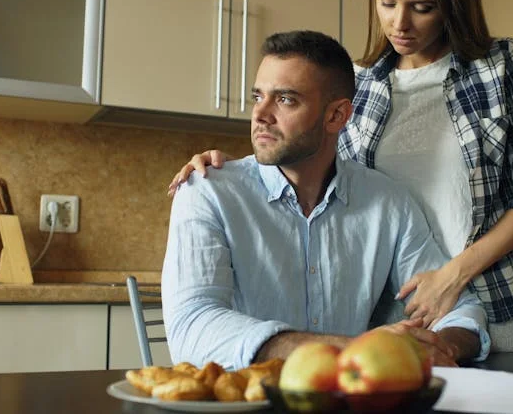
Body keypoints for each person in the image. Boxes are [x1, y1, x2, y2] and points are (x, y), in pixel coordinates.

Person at [168, 0, 513, 349]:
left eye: (422, 7)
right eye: (386, 2)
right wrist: (239, 174)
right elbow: (322, 169)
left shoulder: (501, 65)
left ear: (453, 3)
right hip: (391, 312)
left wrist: (454, 274)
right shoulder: (364, 82)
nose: (399, 23)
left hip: (489, 300)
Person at [162, 30, 490, 371]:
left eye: (285, 99)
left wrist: (440, 347)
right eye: (257, 96)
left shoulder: (387, 203)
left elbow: (461, 311)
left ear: (337, 116)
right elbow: (191, 328)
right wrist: (351, 349)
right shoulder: (206, 190)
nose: (260, 114)